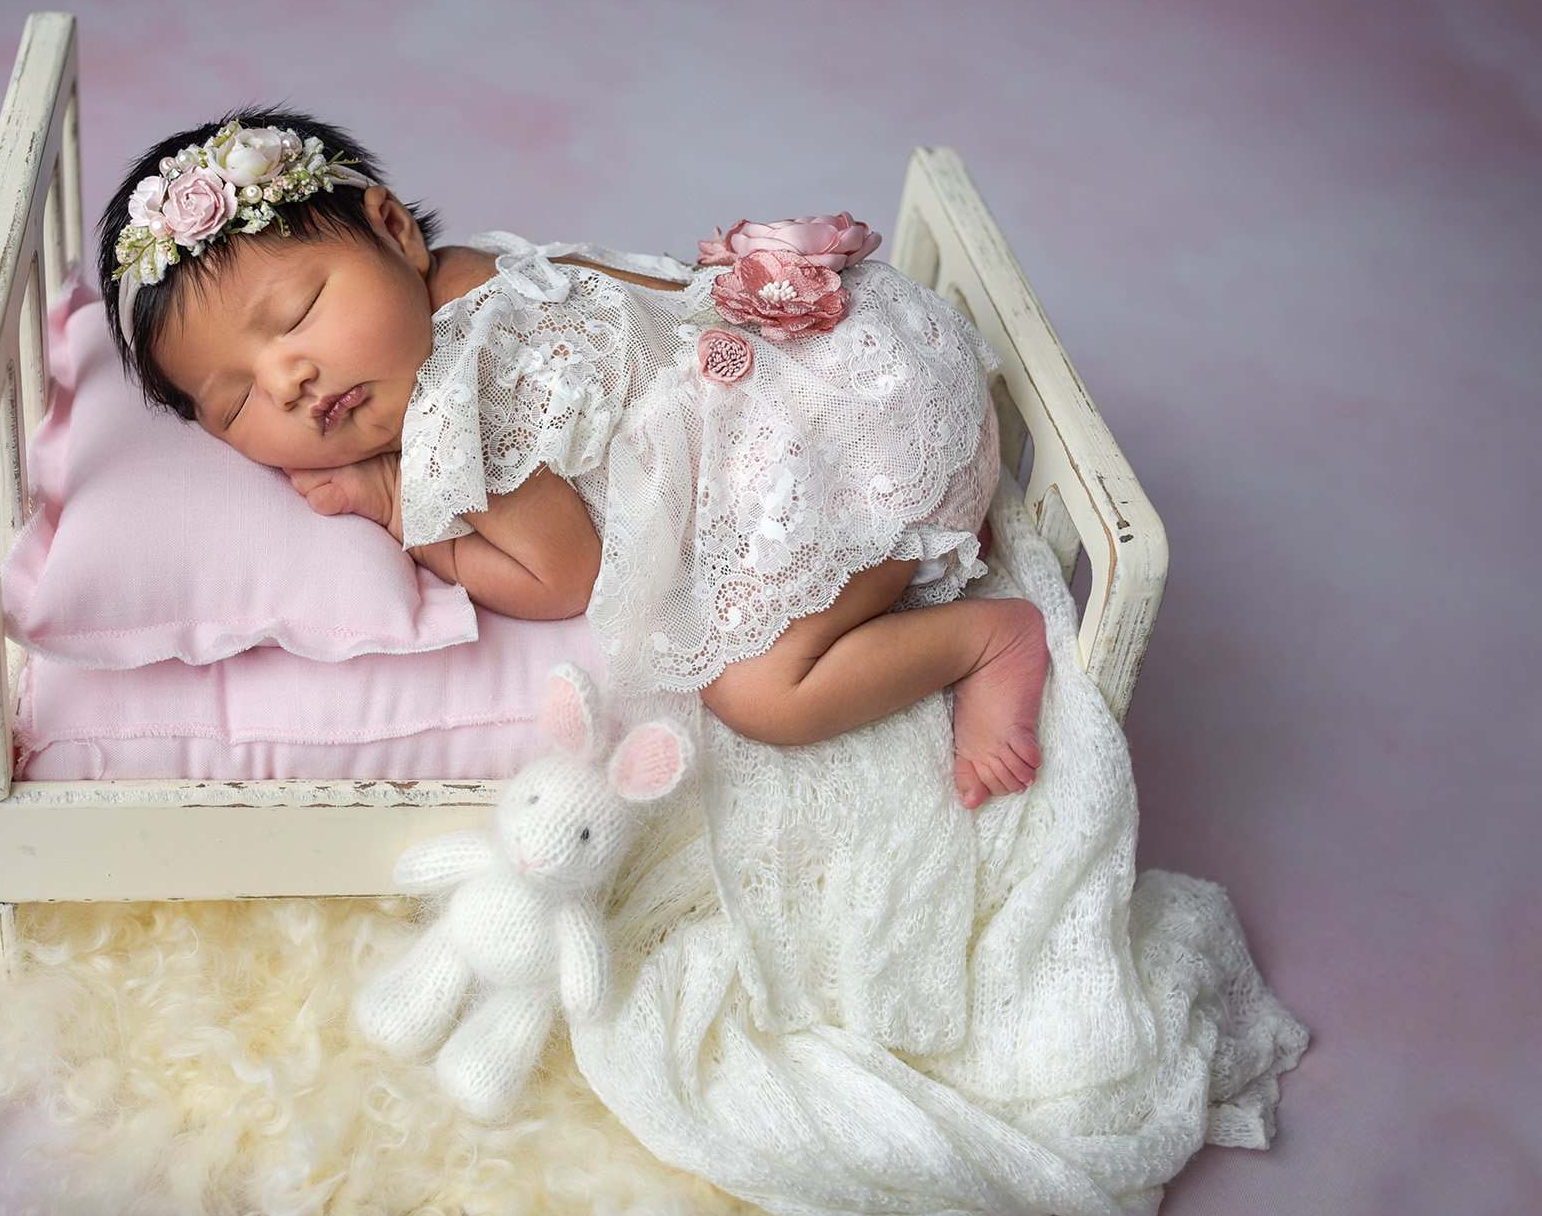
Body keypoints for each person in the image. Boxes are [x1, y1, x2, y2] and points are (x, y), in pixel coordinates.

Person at [98, 109, 1047, 808]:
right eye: (237, 401)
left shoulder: (463, 389)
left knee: (759, 692)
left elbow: (561, 575)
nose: (292, 379)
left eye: (298, 315)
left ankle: (988, 638)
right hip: (880, 344)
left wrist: (399, 507)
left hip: (866, 440)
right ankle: (936, 554)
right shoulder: (468, 273)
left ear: (392, 231)